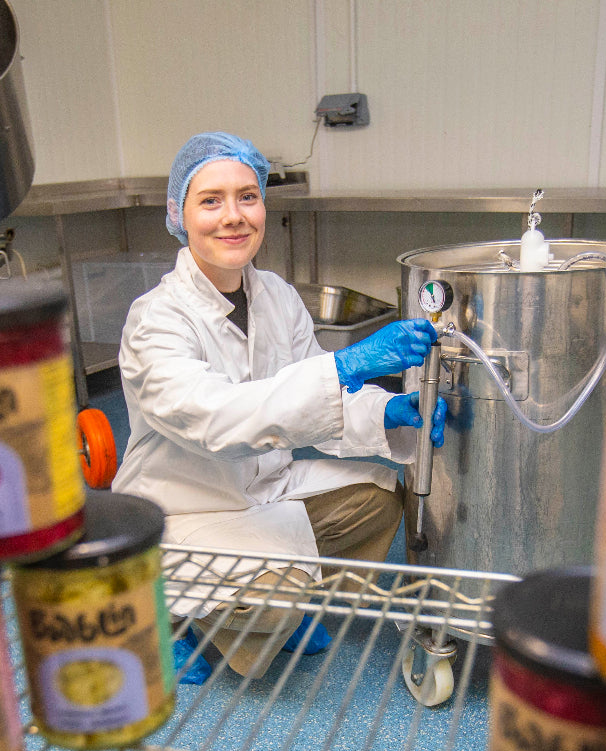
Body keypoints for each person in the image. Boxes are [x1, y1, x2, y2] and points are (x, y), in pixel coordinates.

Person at [113, 131, 446, 680]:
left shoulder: (276, 296)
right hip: (185, 505)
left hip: (265, 484)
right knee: (272, 599)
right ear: (180, 213)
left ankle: (281, 610)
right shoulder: (157, 320)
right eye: (211, 200)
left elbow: (319, 400)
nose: (233, 216)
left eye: (247, 196)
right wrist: (341, 367)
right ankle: (168, 614)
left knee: (378, 498)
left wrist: (385, 412)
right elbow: (216, 419)